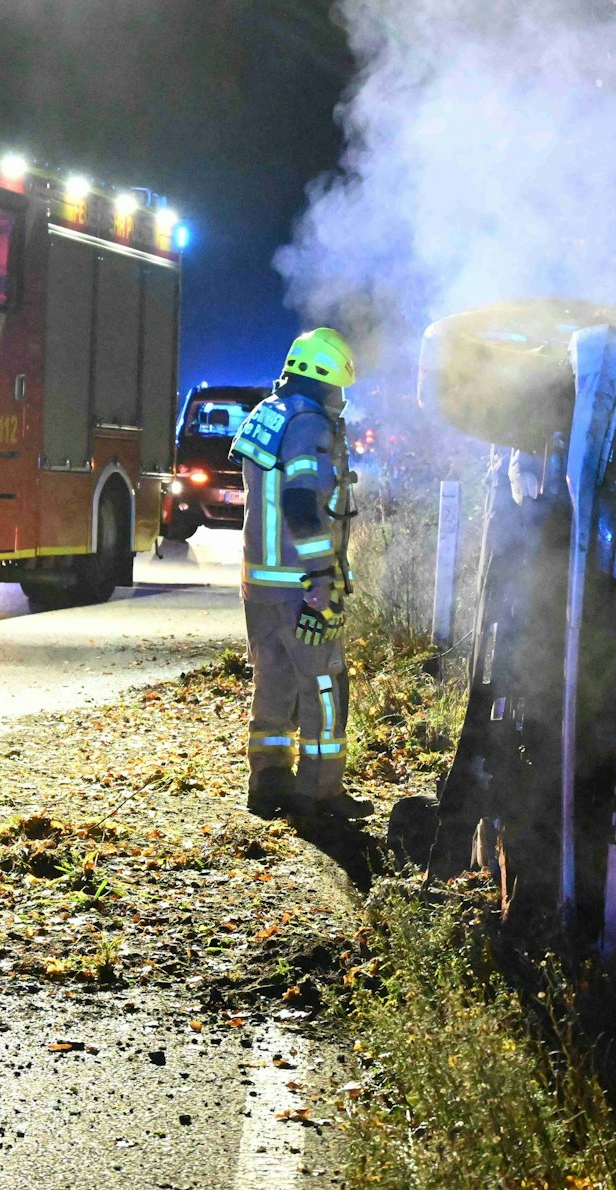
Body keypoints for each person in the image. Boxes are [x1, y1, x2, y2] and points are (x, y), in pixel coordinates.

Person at [231, 328, 372, 821]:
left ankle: (268, 784)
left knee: (273, 680)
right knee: (324, 685)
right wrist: (321, 578)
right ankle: (320, 794)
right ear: (323, 379)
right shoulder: (309, 423)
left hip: (260, 583)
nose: (340, 400)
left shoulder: (269, 411)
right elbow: (300, 502)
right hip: (299, 585)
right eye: (338, 388)